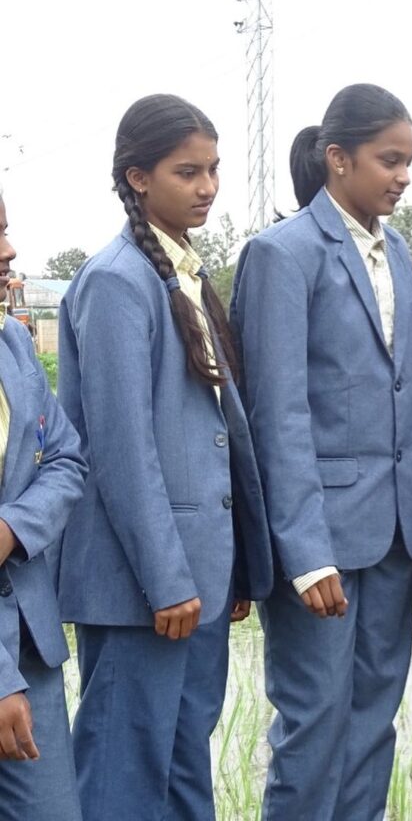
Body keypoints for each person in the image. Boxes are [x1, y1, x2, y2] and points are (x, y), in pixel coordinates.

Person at [57, 94, 273, 820]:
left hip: (198, 577)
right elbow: (121, 451)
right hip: (144, 587)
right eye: (188, 172)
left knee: (185, 766)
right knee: (123, 773)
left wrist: (230, 562)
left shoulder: (183, 272)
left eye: (213, 170)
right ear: (138, 177)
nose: (207, 187)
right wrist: (166, 579)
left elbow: (213, 438)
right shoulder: (117, 281)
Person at [232, 82, 412, 820]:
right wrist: (305, 552)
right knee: (313, 723)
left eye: (408, 161)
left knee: (374, 720)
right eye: (389, 160)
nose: (403, 176)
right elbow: (276, 413)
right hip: (321, 546)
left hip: (393, 534)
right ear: (337, 159)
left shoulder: (398, 251)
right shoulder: (282, 254)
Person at [0, 194, 86, 821]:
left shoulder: (14, 346)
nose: (8, 251)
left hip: (31, 639)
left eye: (4, 230)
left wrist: (12, 525)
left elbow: (64, 459)